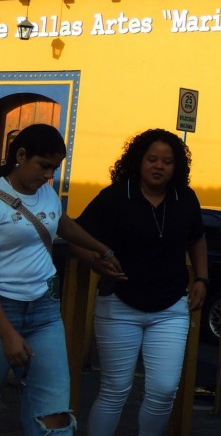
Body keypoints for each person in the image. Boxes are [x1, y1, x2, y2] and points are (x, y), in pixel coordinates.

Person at [73, 128, 209, 436]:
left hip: (172, 307)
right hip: (119, 304)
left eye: (167, 161)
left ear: (177, 167)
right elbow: (76, 237)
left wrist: (202, 277)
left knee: (163, 390)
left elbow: (197, 239)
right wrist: (96, 263)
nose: (159, 166)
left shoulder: (184, 198)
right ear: (139, 161)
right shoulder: (116, 196)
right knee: (115, 389)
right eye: (152, 159)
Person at [0, 124, 124, 436]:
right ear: (21, 155)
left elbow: (62, 224)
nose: (48, 175)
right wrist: (8, 334)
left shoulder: (47, 194)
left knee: (53, 414)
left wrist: (102, 250)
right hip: (3, 313)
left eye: (54, 168)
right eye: (43, 166)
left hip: (44, 312)